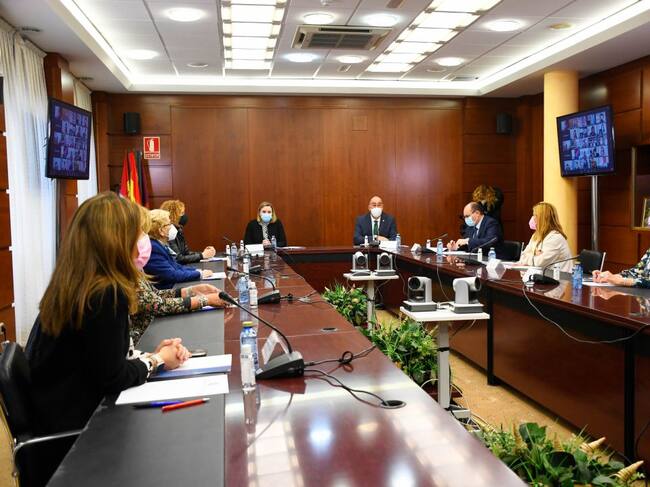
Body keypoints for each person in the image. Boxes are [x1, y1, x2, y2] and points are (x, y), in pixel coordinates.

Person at [25, 192, 190, 483]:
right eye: (135, 233)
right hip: (79, 439)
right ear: (116, 240)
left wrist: (144, 356)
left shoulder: (75, 285)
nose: (141, 241)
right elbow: (113, 377)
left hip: (55, 422)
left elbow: (96, 358)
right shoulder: (106, 293)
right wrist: (157, 361)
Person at [131, 206, 225, 341]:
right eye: (142, 231)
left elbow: (155, 295)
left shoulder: (134, 268)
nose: (146, 237)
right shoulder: (122, 273)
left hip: (153, 332)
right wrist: (205, 300)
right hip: (144, 340)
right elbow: (157, 305)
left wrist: (190, 291)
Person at [144, 209, 212, 289]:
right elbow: (171, 275)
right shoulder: (153, 248)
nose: (172, 226)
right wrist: (199, 274)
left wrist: (197, 271)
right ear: (161, 230)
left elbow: (176, 266)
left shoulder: (159, 244)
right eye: (169, 224)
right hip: (168, 291)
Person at [516, 202, 573, 271]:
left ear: (543, 219)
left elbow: (539, 262)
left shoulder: (555, 237)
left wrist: (531, 255)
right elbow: (522, 256)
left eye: (535, 215)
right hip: (539, 275)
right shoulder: (536, 235)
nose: (532, 218)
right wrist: (534, 254)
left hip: (559, 277)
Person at [160, 199, 215, 264]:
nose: (184, 216)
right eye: (182, 213)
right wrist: (202, 255)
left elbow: (186, 253)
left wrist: (204, 253)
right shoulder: (169, 232)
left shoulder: (178, 230)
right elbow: (178, 259)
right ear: (173, 215)